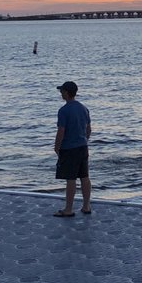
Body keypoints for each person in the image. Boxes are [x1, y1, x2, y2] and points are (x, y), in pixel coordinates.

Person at [53, 80, 92, 216]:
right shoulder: (83, 108)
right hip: (83, 147)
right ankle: (86, 206)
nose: (60, 93)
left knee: (71, 179)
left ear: (67, 93)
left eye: (62, 91)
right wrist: (84, 140)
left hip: (70, 148)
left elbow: (61, 131)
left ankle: (68, 209)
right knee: (85, 177)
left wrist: (57, 147)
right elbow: (88, 129)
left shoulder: (64, 110)